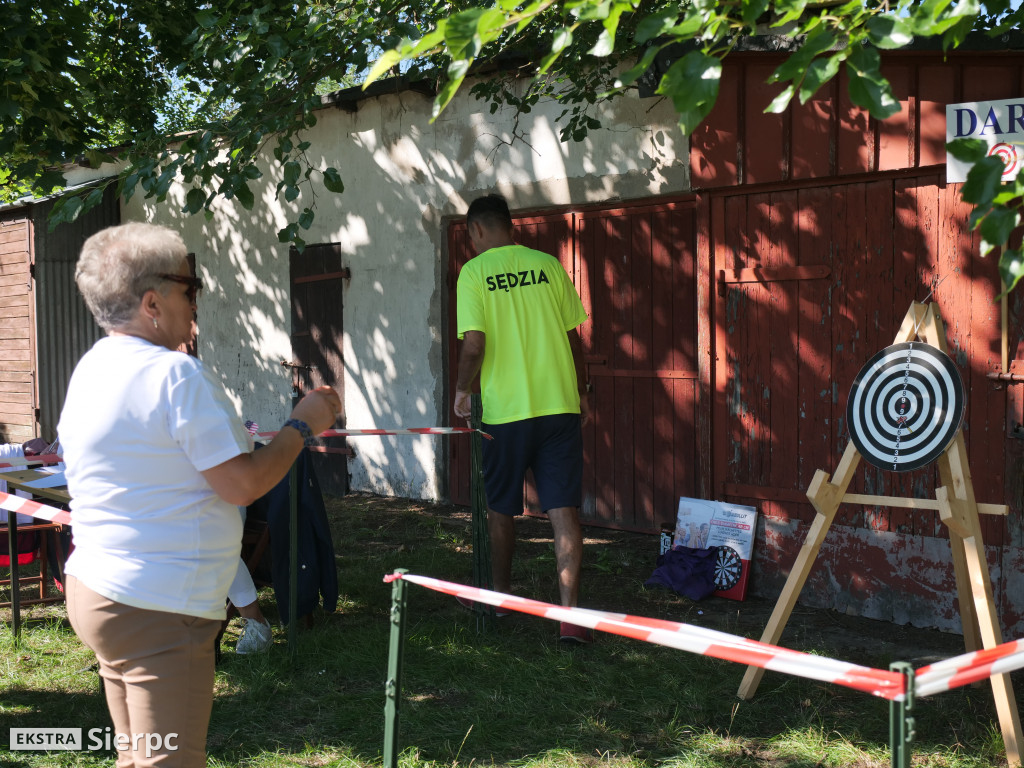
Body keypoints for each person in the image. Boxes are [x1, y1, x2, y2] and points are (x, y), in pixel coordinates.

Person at [58, 222, 340, 767]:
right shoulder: (176, 375)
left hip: (102, 589)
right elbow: (244, 482)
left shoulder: (93, 366)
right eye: (190, 288)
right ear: (151, 302)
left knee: (137, 754)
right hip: (160, 607)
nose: (195, 301)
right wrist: (303, 424)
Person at [453, 194, 593, 644]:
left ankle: (500, 598)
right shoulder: (549, 265)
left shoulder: (474, 273)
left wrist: (461, 390)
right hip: (558, 407)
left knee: (500, 508)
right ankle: (569, 616)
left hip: (505, 414)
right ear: (509, 226)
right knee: (562, 507)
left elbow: (474, 344)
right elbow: (575, 338)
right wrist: (582, 391)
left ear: (475, 229)